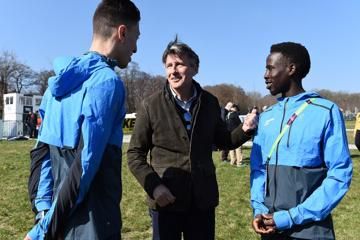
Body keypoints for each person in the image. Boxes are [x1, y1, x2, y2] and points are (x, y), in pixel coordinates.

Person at [24, 0, 140, 239]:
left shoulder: (56, 85)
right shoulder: (108, 83)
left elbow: (41, 154)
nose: (136, 48)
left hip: (56, 216)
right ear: (122, 32)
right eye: (136, 38)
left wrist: (44, 213)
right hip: (93, 220)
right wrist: (43, 230)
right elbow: (84, 166)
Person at [127, 37, 258, 240]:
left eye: (179, 64)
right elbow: (135, 154)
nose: (173, 71)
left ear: (195, 68)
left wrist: (245, 129)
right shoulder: (150, 105)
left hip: (202, 200)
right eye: (168, 66)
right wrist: (154, 186)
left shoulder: (210, 103)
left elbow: (224, 141)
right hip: (165, 200)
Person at [250, 42, 353, 239]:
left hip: (310, 229)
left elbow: (340, 174)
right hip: (269, 227)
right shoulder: (266, 117)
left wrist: (292, 217)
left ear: (291, 69)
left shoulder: (325, 112)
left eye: (270, 67)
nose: (265, 74)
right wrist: (258, 209)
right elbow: (258, 168)